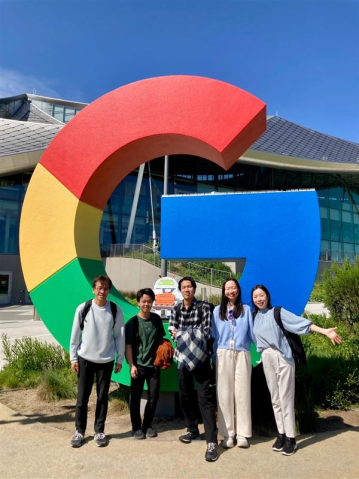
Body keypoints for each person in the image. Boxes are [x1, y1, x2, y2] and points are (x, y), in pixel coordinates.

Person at [251, 284, 342, 456]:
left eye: (261, 295)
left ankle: (291, 438)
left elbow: (300, 324)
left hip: (283, 358)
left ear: (267, 296)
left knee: (285, 398)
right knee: (275, 398)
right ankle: (281, 434)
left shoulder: (277, 312)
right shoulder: (254, 316)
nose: (259, 299)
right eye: (255, 296)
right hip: (266, 357)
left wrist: (325, 331)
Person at [69, 275, 125, 448]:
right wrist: (73, 358)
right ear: (93, 289)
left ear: (109, 290)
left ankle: (99, 431)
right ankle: (79, 431)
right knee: (82, 398)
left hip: (106, 361)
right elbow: (75, 335)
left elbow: (119, 336)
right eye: (99, 288)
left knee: (102, 397)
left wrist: (119, 359)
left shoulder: (115, 310)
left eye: (106, 288)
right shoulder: (84, 308)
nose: (102, 291)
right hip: (85, 359)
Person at [169, 276, 218, 463]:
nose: (187, 289)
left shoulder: (204, 307)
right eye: (184, 287)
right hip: (181, 359)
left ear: (194, 289)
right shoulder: (175, 308)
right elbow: (172, 333)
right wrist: (190, 333)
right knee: (185, 395)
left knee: (205, 398)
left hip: (202, 359)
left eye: (190, 286)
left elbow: (205, 333)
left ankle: (212, 441)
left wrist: (182, 334)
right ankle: (192, 429)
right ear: (180, 290)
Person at [211, 278, 254, 449]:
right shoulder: (216, 311)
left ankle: (243, 434)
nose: (231, 291)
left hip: (242, 353)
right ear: (223, 291)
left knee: (242, 394)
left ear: (238, 290)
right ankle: (228, 434)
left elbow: (253, 333)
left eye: (233, 288)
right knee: (224, 394)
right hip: (223, 353)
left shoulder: (246, 309)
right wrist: (214, 358)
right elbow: (214, 336)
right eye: (227, 288)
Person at [125, 288, 166, 439]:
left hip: (154, 366)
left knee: (153, 397)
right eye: (143, 301)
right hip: (138, 366)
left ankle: (147, 425)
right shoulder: (132, 323)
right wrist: (131, 365)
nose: (146, 304)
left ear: (152, 302)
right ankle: (136, 427)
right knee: (135, 398)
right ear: (138, 302)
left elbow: (161, 340)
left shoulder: (156, 320)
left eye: (149, 301)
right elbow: (128, 346)